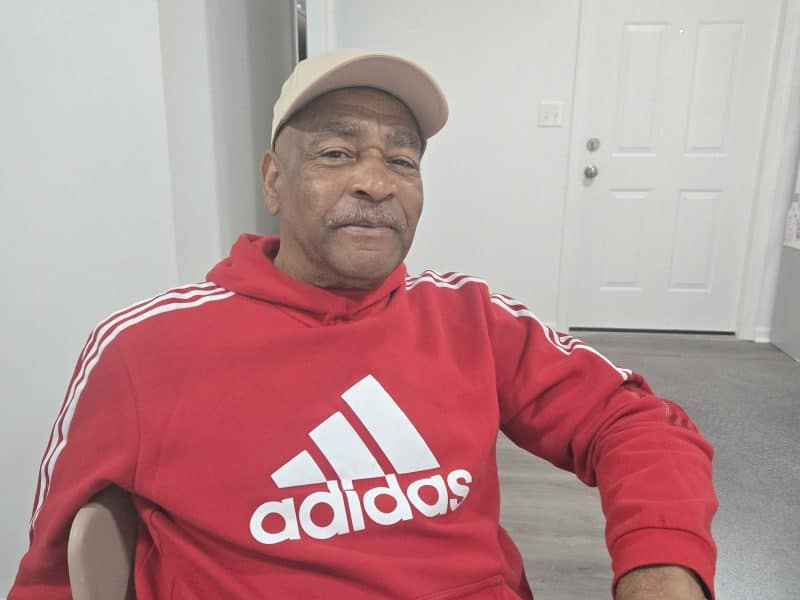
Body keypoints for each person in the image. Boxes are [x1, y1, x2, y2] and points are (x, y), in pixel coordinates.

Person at [9, 48, 717, 599]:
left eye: (401, 159)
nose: (376, 182)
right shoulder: (142, 349)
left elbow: (636, 421)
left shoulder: (469, 317)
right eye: (337, 153)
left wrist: (659, 571)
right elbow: (50, 573)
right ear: (274, 181)